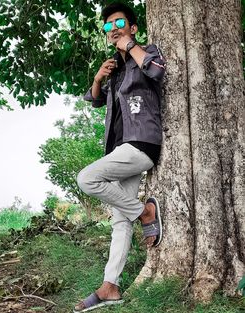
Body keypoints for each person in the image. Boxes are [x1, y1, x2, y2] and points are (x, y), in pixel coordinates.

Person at [74, 2, 166, 312]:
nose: (113, 30)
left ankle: (144, 214)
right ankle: (110, 285)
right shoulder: (113, 67)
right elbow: (96, 102)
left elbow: (157, 71)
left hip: (142, 143)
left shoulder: (145, 53)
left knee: (86, 178)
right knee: (119, 222)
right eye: (108, 26)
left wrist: (131, 46)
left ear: (133, 27)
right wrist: (98, 79)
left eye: (119, 24)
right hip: (120, 148)